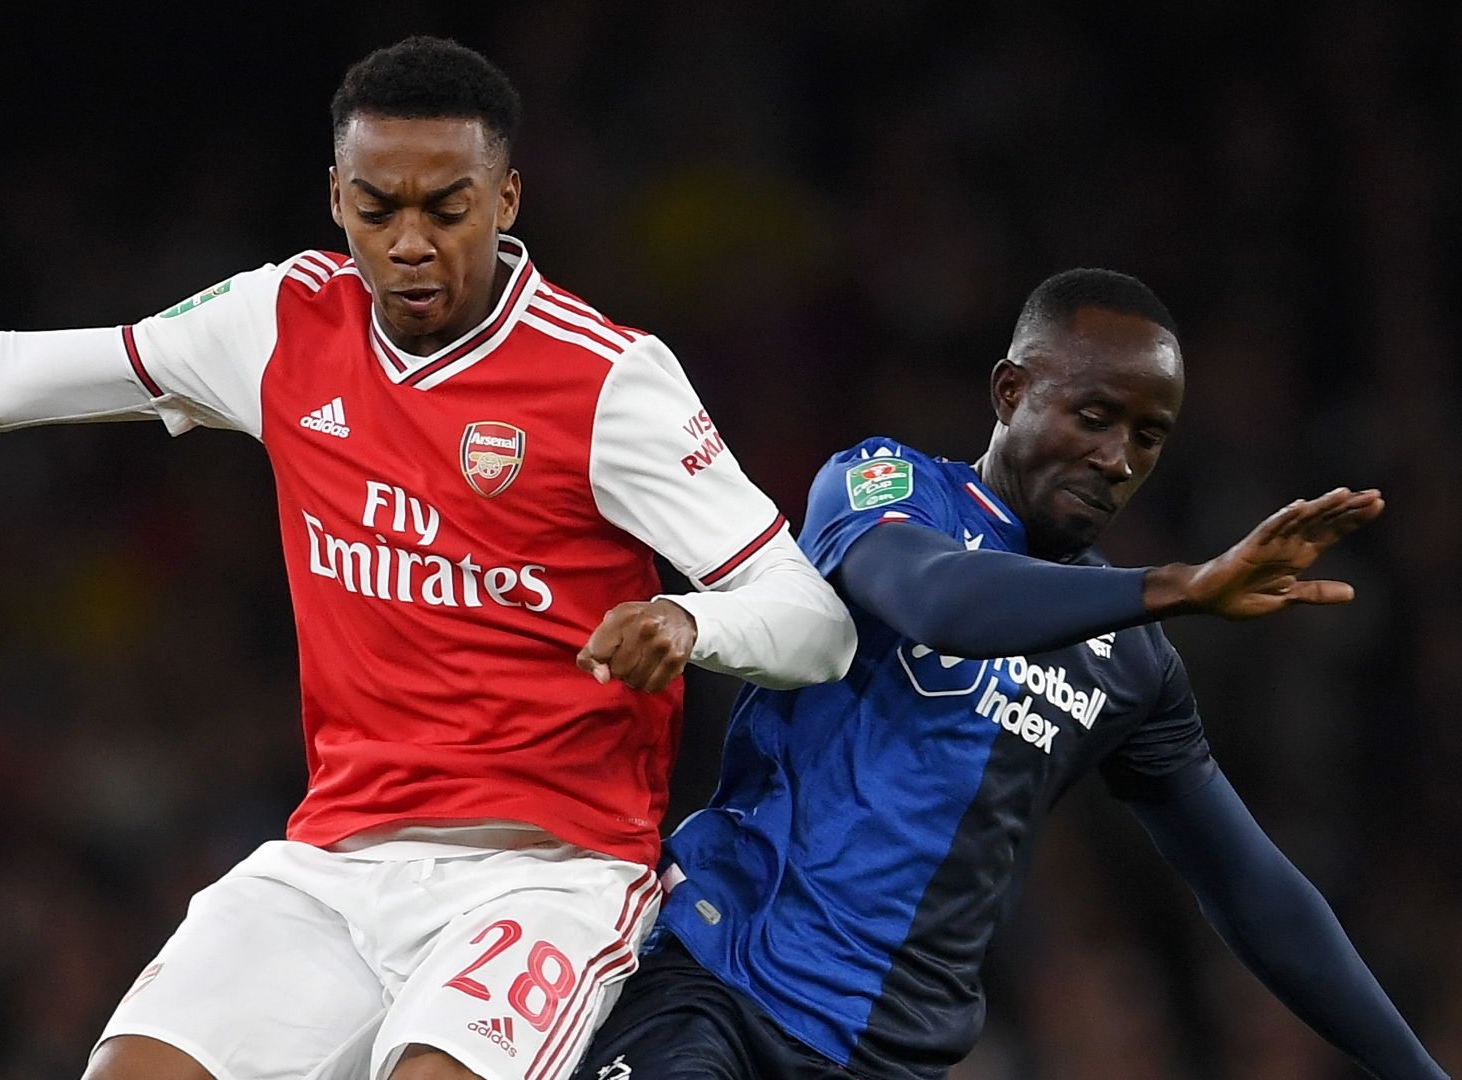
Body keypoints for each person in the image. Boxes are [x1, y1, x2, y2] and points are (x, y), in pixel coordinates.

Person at [0, 36, 858, 1080]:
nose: (411, 241)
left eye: (448, 207)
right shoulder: (281, 322)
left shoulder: (606, 382)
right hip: (334, 865)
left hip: (549, 876)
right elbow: (6, 377)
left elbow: (813, 619)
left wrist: (696, 625)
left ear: (508, 199)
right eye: (379, 206)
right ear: (337, 198)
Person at [573, 269, 1447, 1080]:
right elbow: (939, 601)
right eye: (1095, 415)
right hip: (722, 980)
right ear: (1012, 392)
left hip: (892, 1054)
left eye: (1149, 436)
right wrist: (1174, 586)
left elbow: (1254, 891)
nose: (1119, 459)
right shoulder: (884, 487)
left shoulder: (1133, 662)